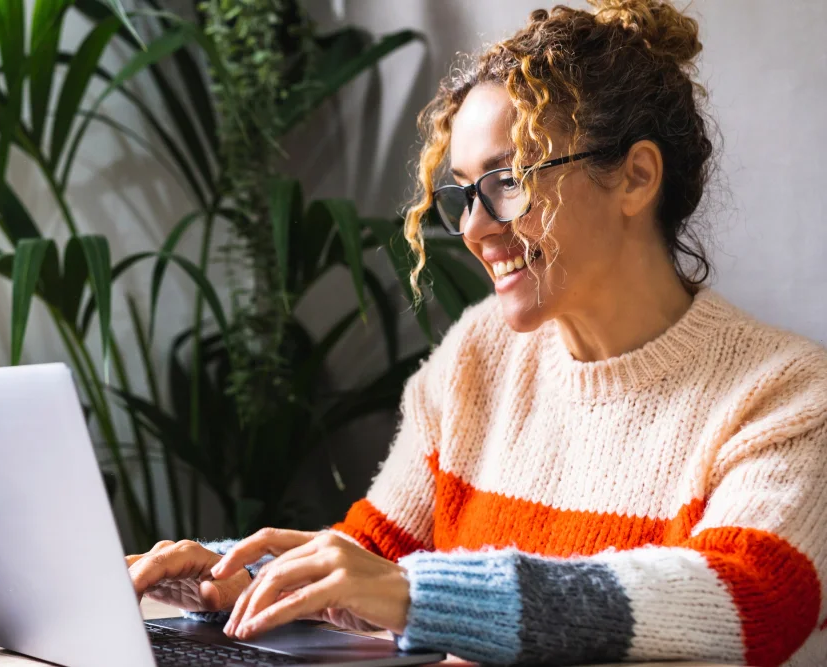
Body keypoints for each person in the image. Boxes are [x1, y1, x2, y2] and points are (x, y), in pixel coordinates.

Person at [125, 1, 827, 664]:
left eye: (508, 180)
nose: (473, 227)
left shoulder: (788, 394)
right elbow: (375, 559)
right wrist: (222, 574)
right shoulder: (479, 353)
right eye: (462, 192)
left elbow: (745, 599)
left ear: (637, 177)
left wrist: (413, 593)